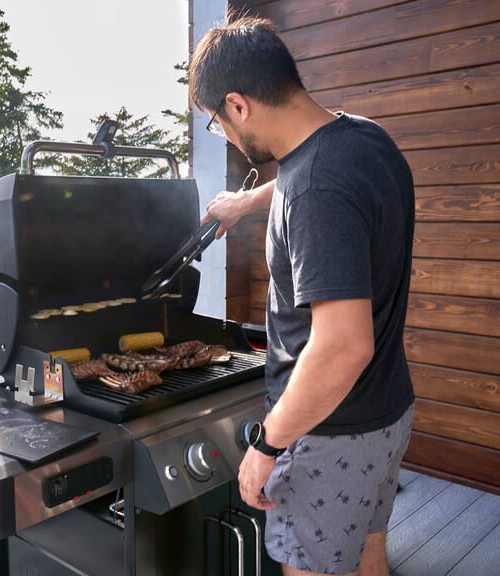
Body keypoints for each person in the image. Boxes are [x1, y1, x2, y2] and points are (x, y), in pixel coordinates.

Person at [189, 16, 416, 576]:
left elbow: (342, 346)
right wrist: (243, 205)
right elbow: (307, 178)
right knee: (369, 556)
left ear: (239, 105)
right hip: (388, 411)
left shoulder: (316, 189)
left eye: (217, 122)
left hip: (331, 432)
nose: (224, 133)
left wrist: (266, 447)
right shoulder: (362, 137)